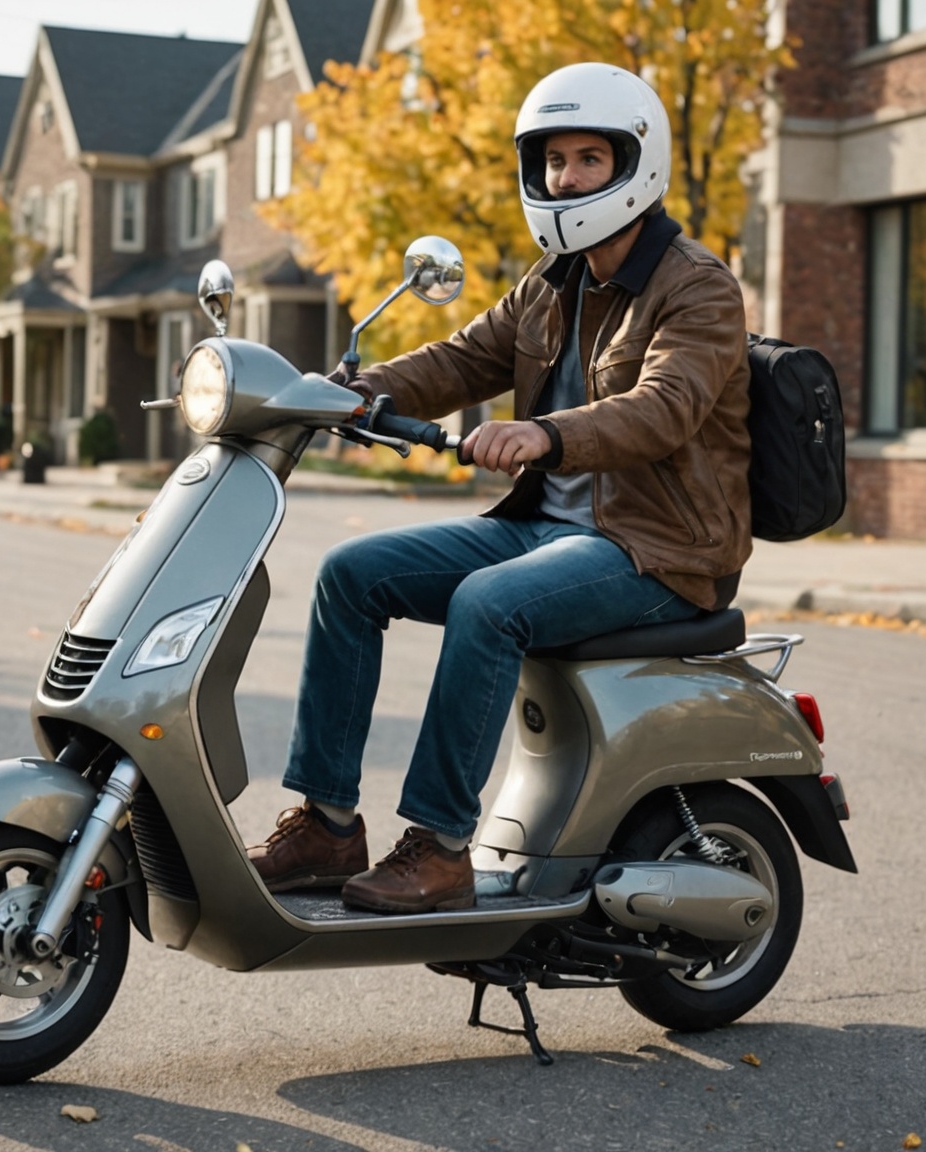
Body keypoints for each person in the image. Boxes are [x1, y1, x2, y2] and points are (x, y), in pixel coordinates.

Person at [246, 62, 755, 914]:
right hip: (548, 535)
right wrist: (356, 390)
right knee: (350, 573)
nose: (567, 179)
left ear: (637, 163)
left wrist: (547, 434)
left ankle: (441, 847)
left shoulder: (696, 286)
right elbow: (461, 358)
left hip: (655, 550)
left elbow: (664, 408)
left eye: (590, 159)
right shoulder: (552, 282)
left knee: (490, 603)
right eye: (553, 161)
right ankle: (328, 825)